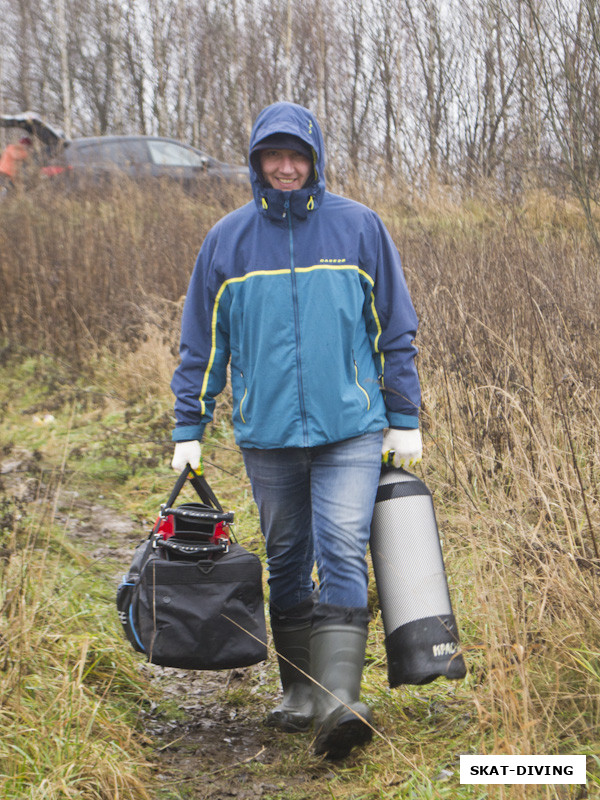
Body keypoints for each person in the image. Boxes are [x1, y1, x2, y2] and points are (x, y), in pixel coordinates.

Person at [170, 101, 422, 759]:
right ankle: (300, 690)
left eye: (296, 155)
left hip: (351, 428)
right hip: (268, 434)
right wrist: (188, 426)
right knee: (285, 558)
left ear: (314, 161)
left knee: (340, 544)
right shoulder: (226, 241)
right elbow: (203, 342)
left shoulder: (360, 228)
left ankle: (340, 701)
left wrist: (405, 417)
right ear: (256, 163)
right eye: (272, 156)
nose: (285, 166)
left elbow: (394, 330)